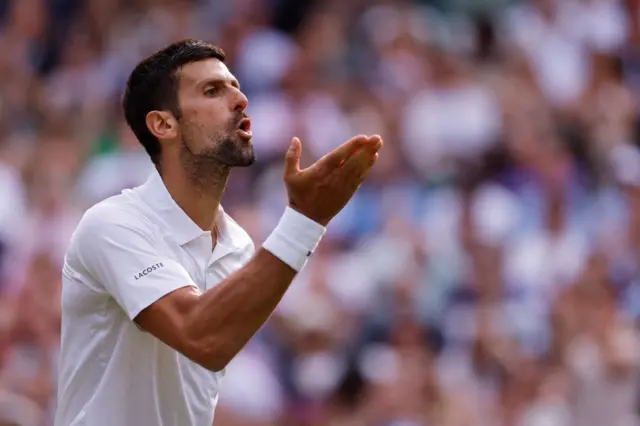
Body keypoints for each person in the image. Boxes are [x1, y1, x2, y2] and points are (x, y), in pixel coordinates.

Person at [53, 39, 383, 426]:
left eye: (236, 87)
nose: (240, 100)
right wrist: (305, 221)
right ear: (164, 124)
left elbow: (207, 362)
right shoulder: (112, 224)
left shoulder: (239, 245)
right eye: (212, 91)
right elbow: (201, 337)